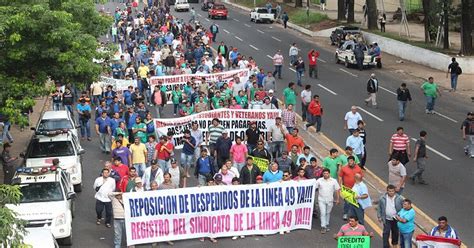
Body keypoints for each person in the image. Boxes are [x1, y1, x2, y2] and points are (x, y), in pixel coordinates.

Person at [315, 168, 340, 233]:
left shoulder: (334, 181)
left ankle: (326, 224)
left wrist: (337, 199)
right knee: (323, 213)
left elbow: (337, 190)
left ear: (329, 174)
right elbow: (313, 187)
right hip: (321, 200)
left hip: (330, 200)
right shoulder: (319, 180)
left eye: (327, 173)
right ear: (322, 174)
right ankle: (323, 226)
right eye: (324, 173)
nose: (325, 175)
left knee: (328, 212)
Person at [338, 156, 363, 220]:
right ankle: (345, 213)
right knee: (347, 202)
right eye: (349, 162)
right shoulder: (344, 168)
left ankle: (354, 215)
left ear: (354, 161)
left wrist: (361, 187)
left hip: (356, 189)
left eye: (351, 161)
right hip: (347, 189)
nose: (350, 163)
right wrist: (340, 185)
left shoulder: (358, 169)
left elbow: (361, 178)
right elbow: (340, 176)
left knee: (355, 202)